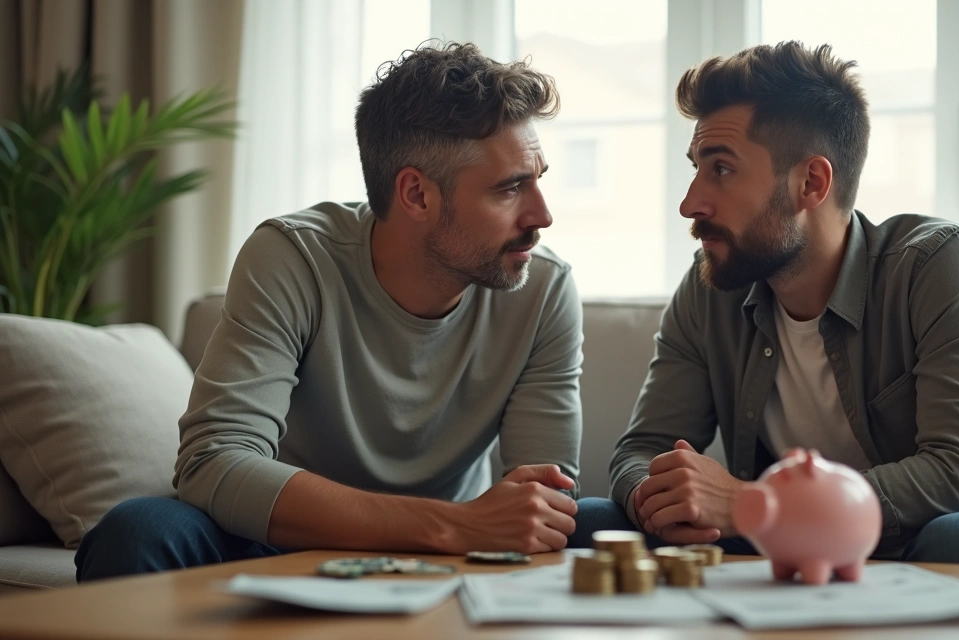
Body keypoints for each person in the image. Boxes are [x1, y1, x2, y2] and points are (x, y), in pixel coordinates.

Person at [571, 41, 959, 569]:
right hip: (802, 546)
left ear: (811, 182)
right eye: (695, 167)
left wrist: (751, 504)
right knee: (593, 522)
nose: (691, 202)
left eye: (721, 169)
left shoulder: (942, 265)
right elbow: (642, 448)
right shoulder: (712, 283)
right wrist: (662, 496)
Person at [77, 42, 586, 581]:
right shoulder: (294, 256)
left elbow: (548, 494)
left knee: (604, 519)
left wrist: (470, 531)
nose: (543, 215)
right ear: (416, 194)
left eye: (538, 179)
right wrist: (450, 525)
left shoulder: (543, 288)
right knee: (137, 530)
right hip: (287, 539)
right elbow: (213, 463)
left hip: (462, 550)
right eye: (510, 188)